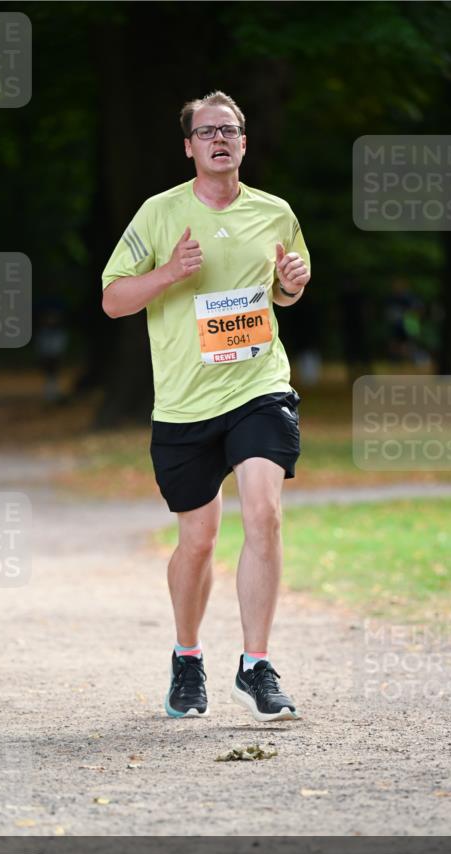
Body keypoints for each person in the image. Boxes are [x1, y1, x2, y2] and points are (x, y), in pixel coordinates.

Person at [102, 91, 311, 722]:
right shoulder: (159, 213)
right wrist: (167, 273)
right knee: (197, 540)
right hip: (185, 403)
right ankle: (187, 657)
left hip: (258, 386)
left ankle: (256, 664)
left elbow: (286, 289)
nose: (220, 139)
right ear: (189, 146)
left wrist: (290, 285)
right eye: (207, 131)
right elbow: (114, 300)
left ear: (244, 143)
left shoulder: (276, 213)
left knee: (264, 513)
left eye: (231, 129)